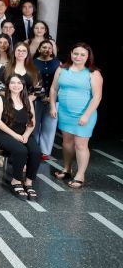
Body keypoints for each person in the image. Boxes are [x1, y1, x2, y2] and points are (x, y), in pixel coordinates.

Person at [49, 43, 103, 189]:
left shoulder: (93, 73)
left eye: (82, 55)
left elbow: (97, 97)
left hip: (84, 114)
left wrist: (86, 115)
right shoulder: (61, 69)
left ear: (88, 57)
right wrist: (53, 106)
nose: (78, 57)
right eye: (76, 53)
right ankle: (67, 169)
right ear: (71, 54)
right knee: (67, 142)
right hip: (65, 112)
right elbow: (53, 89)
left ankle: (80, 175)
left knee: (80, 144)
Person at [0, 74, 40, 199]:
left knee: (36, 152)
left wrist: (26, 134)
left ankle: (28, 182)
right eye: (13, 82)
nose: (16, 85)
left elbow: (32, 122)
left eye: (19, 83)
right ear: (8, 85)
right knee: (21, 150)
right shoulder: (0, 99)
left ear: (23, 85)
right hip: (3, 133)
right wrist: (15, 135)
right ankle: (16, 180)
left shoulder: (28, 100)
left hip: (23, 133)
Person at [32, 40, 61, 159]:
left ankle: (45, 151)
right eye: (44, 47)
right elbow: (33, 81)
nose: (46, 50)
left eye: (49, 48)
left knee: (50, 126)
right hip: (36, 98)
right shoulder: (32, 62)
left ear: (52, 50)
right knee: (34, 125)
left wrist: (51, 98)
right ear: (39, 49)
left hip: (54, 100)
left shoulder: (58, 63)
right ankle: (34, 149)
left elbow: (60, 82)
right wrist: (43, 96)